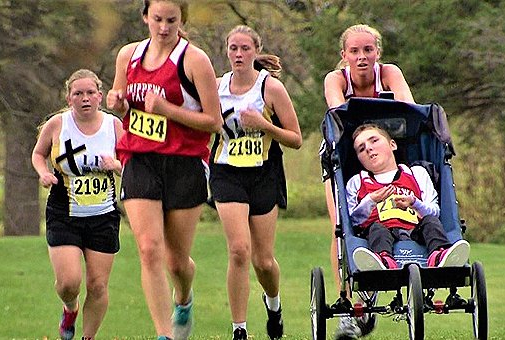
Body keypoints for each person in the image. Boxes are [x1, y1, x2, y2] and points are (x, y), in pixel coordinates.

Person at [106, 1, 222, 339]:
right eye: (157, 19)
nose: (163, 27)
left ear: (181, 20)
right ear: (145, 17)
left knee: (177, 262)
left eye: (171, 20)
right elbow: (123, 101)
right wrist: (119, 103)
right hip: (139, 157)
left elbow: (213, 122)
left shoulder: (194, 60)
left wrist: (169, 110)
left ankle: (183, 298)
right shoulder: (128, 55)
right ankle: (164, 335)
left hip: (184, 162)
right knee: (148, 249)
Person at [322, 24, 416, 339]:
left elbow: (407, 106)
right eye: (355, 51)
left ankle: (384, 275)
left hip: (382, 152)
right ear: (344, 55)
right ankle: (348, 306)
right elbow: (340, 113)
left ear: (377, 53)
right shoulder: (336, 79)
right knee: (341, 230)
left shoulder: (389, 73)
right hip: (342, 155)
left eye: (368, 50)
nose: (362, 58)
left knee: (391, 214)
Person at [209, 25, 302, 340]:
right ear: (227, 51)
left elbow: (296, 139)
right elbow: (201, 123)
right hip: (226, 172)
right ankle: (239, 330)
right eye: (233, 48)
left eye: (244, 48)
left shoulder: (270, 89)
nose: (238, 54)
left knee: (263, 261)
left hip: (263, 174)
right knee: (238, 250)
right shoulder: (215, 87)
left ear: (255, 51)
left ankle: (273, 304)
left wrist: (264, 125)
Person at [31, 69, 124, 340]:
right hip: (64, 212)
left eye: (90, 93)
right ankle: (69, 309)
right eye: (78, 94)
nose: (85, 99)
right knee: (69, 283)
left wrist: (116, 165)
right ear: (69, 98)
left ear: (100, 96)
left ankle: (87, 337)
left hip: (103, 215)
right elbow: (38, 153)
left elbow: (131, 164)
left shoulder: (113, 126)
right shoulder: (57, 124)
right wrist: (44, 173)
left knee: (97, 285)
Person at [347, 123, 470, 271]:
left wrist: (414, 203)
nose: (368, 148)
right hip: (380, 231)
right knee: (377, 230)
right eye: (361, 149)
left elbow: (434, 212)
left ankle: (439, 255)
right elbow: (353, 222)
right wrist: (371, 200)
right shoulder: (357, 182)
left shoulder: (417, 173)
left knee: (431, 222)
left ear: (392, 145)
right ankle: (383, 260)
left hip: (416, 229)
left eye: (374, 141)